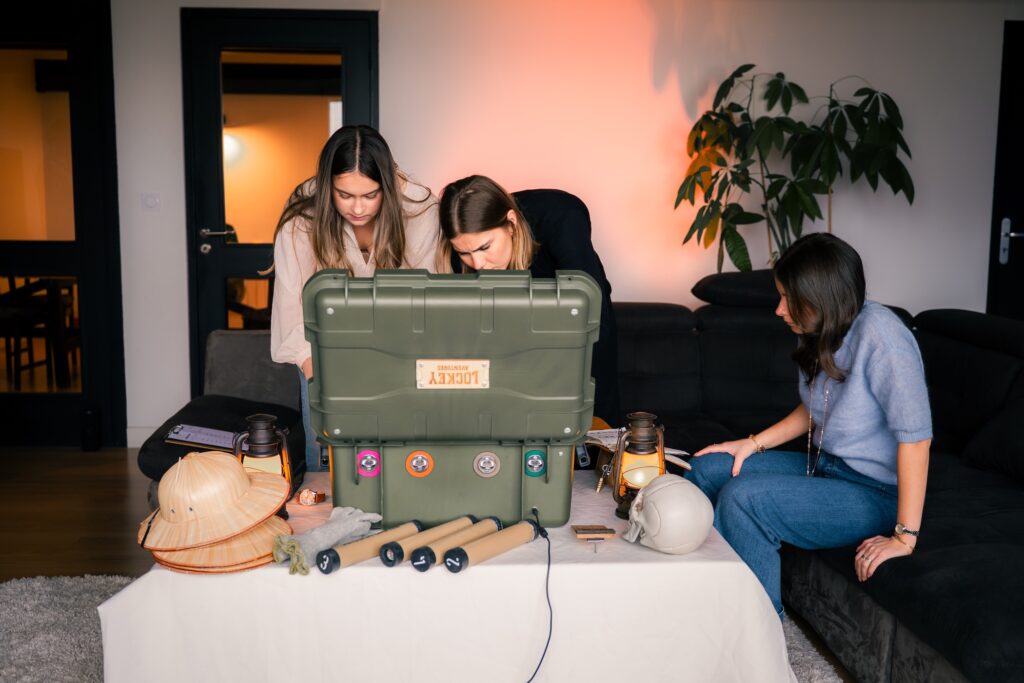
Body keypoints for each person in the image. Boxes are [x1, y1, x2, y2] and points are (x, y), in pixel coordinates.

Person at [685, 232, 931, 619]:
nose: (779, 309)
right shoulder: (827, 330)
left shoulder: (884, 338)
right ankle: (701, 597)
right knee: (706, 469)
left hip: (873, 491)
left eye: (789, 298)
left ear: (822, 297)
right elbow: (816, 408)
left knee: (745, 500)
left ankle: (757, 634)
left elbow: (917, 440)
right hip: (823, 467)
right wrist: (752, 443)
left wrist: (904, 537)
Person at [270, 125, 440, 471]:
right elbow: (292, 306)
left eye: (370, 195)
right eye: (344, 195)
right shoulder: (303, 213)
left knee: (398, 454)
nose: (358, 208)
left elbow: (426, 299)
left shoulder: (420, 208)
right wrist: (320, 386)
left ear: (388, 188)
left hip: (399, 345)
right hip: (323, 345)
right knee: (326, 449)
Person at [437, 174, 621, 425]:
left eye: (484, 247)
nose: (477, 264)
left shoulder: (561, 220)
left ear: (511, 224)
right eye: (464, 252)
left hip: (581, 322)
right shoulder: (461, 254)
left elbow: (592, 313)